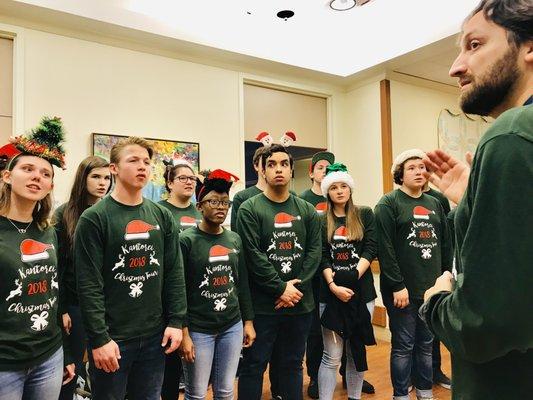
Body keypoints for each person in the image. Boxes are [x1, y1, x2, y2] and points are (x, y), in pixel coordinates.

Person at [421, 1, 533, 398]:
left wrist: (437, 302)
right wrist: (475, 197)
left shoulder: (511, 133)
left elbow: (485, 324)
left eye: (473, 45)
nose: (455, 67)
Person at [75, 136, 186, 400]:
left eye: (147, 162)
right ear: (114, 168)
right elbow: (89, 284)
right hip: (113, 339)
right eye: (133, 160)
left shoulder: (161, 215)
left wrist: (176, 321)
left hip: (154, 336)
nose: (142, 167)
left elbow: (173, 271)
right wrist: (99, 339)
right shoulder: (94, 218)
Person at [236, 144, 322, 400]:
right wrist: (280, 287)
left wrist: (294, 288)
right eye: (271, 164)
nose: (278, 169)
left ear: (292, 170)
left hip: (300, 305)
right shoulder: (249, 209)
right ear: (262, 170)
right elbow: (252, 255)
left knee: (293, 365)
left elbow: (314, 253)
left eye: (284, 164)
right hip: (263, 307)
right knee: (253, 367)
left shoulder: (306, 210)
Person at [0, 116, 75, 399]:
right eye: (28, 169)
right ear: (7, 176)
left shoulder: (49, 231)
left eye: (45, 174)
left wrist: (66, 352)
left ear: (50, 186)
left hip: (48, 354)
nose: (37, 177)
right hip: (5, 363)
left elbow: (55, 296)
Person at [375, 149, 452, 400]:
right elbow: (385, 249)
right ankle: (401, 395)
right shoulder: (389, 203)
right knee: (403, 346)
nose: (419, 172)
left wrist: (445, 278)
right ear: (400, 174)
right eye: (412, 168)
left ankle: (425, 391)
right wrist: (397, 285)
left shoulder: (435, 204)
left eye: (422, 167)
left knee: (426, 345)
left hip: (431, 290)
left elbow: (445, 244)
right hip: (402, 292)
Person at [179, 169, 255, 399]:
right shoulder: (186, 241)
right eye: (213, 201)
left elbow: (241, 284)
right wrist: (184, 333)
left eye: (225, 202)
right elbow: (178, 290)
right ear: (200, 206)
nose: (221, 207)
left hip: (232, 325)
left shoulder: (234, 239)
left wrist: (248, 322)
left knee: (225, 390)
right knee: (197, 392)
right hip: (198, 329)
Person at [317, 163, 377, 400]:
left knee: (355, 351)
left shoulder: (365, 214)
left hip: (362, 294)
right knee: (331, 356)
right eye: (334, 187)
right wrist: (333, 286)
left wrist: (352, 279)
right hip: (329, 294)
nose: (340, 191)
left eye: (344, 186)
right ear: (327, 192)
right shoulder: (320, 220)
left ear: (350, 189)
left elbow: (371, 247)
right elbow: (321, 255)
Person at [55, 156, 111, 400]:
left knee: (105, 368)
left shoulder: (109, 212)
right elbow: (57, 266)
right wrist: (63, 307)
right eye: (95, 177)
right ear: (82, 178)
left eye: (107, 178)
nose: (102, 183)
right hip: (74, 304)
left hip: (105, 303)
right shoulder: (64, 214)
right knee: (71, 369)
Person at [159, 160, 201, 400]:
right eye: (182, 178)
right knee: (169, 366)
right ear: (169, 183)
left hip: (198, 297)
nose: (188, 182)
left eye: (192, 178)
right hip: (169, 296)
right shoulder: (160, 211)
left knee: (194, 362)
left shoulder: (200, 212)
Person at [299, 151, 335, 399]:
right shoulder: (303, 200)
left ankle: (342, 373)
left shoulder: (339, 197)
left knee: (340, 327)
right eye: (321, 167)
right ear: (311, 172)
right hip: (313, 277)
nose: (325, 171)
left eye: (329, 168)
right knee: (315, 331)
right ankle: (314, 376)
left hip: (337, 271)